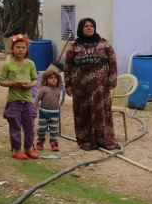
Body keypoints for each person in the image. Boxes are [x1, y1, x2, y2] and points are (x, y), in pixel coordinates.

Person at [64, 18, 118, 150]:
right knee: (83, 114)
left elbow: (113, 63)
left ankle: (104, 140)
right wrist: (68, 85)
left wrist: (112, 80)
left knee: (102, 113)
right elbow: (67, 66)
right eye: (86, 26)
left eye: (91, 26)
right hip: (80, 88)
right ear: (81, 28)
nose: (89, 28)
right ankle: (85, 142)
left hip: (101, 87)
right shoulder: (74, 46)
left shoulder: (104, 43)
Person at [0, 34, 39, 160]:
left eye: (23, 47)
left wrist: (29, 86)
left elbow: (35, 80)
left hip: (27, 100)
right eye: (17, 47)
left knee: (29, 127)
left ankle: (29, 148)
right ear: (12, 49)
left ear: (27, 49)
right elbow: (1, 81)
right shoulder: (8, 64)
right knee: (15, 126)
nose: (20, 49)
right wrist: (11, 84)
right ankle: (17, 150)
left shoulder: (30, 64)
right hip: (13, 101)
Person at [33, 65, 65, 151]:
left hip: (55, 112)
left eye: (55, 78)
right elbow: (36, 99)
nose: (53, 79)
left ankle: (53, 143)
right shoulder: (43, 89)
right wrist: (33, 109)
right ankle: (40, 141)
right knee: (41, 129)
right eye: (51, 78)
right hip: (44, 112)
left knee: (54, 129)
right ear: (46, 79)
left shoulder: (58, 88)